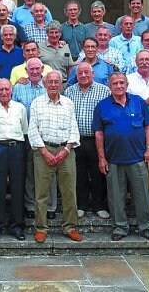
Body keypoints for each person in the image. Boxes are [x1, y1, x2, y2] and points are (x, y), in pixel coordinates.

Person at [93, 72, 149, 244]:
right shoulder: (102, 106)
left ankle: (148, 228)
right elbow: (99, 133)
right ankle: (120, 227)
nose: (119, 86)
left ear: (127, 84)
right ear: (110, 86)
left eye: (122, 82)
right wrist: (102, 158)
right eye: (115, 83)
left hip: (138, 158)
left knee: (144, 196)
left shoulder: (138, 102)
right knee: (116, 197)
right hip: (114, 160)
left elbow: (148, 127)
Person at [28, 71, 83, 243]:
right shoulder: (37, 103)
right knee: (42, 193)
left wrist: (66, 150)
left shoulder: (68, 103)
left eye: (56, 81)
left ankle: (70, 227)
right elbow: (32, 129)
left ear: (61, 84)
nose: (53, 84)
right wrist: (44, 151)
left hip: (66, 151)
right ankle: (41, 228)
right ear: (45, 84)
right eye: (50, 81)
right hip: (43, 150)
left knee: (69, 192)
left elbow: (74, 128)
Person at [12, 58, 58, 220]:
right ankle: (30, 205)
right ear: (26, 70)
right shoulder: (18, 87)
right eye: (31, 69)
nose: (34, 72)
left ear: (42, 69)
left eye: (37, 69)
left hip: (46, 135)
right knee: (30, 172)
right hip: (25, 136)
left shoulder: (49, 87)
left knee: (49, 172)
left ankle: (51, 206)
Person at [0, 79, 28, 241]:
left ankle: (17, 226)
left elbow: (25, 131)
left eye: (6, 89)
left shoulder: (20, 108)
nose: (4, 92)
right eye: (0, 89)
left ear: (11, 91)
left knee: (17, 187)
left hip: (16, 148)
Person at [65, 62, 111, 219]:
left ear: (92, 74)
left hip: (96, 139)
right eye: (80, 73)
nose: (83, 76)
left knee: (99, 173)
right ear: (76, 75)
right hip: (76, 140)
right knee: (79, 174)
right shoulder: (69, 91)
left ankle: (99, 205)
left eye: (86, 72)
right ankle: (81, 204)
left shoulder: (104, 91)